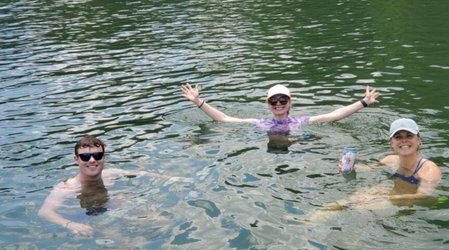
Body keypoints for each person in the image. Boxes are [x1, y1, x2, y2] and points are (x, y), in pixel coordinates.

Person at [38, 135, 187, 236]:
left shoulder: (110, 174)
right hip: (83, 216)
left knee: (162, 221)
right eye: (85, 156)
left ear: (104, 157)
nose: (92, 160)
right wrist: (72, 225)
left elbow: (142, 173)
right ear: (76, 159)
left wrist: (172, 178)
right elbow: (45, 212)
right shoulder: (66, 187)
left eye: (97, 155)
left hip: (110, 207)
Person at [309, 118, 442, 220]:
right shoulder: (390, 160)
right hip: (391, 192)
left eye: (409, 136)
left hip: (408, 203)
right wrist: (351, 167)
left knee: (362, 208)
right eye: (398, 137)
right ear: (391, 143)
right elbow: (367, 169)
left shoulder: (429, 169)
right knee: (349, 201)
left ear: (419, 140)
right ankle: (308, 222)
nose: (404, 141)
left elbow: (423, 196)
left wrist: (387, 199)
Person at [180, 83, 380, 135]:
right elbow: (223, 119)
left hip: (297, 147)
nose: (278, 104)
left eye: (282, 100)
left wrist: (363, 102)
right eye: (273, 100)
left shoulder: (301, 122)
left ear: (290, 102)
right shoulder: (260, 123)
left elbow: (334, 115)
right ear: (268, 104)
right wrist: (199, 102)